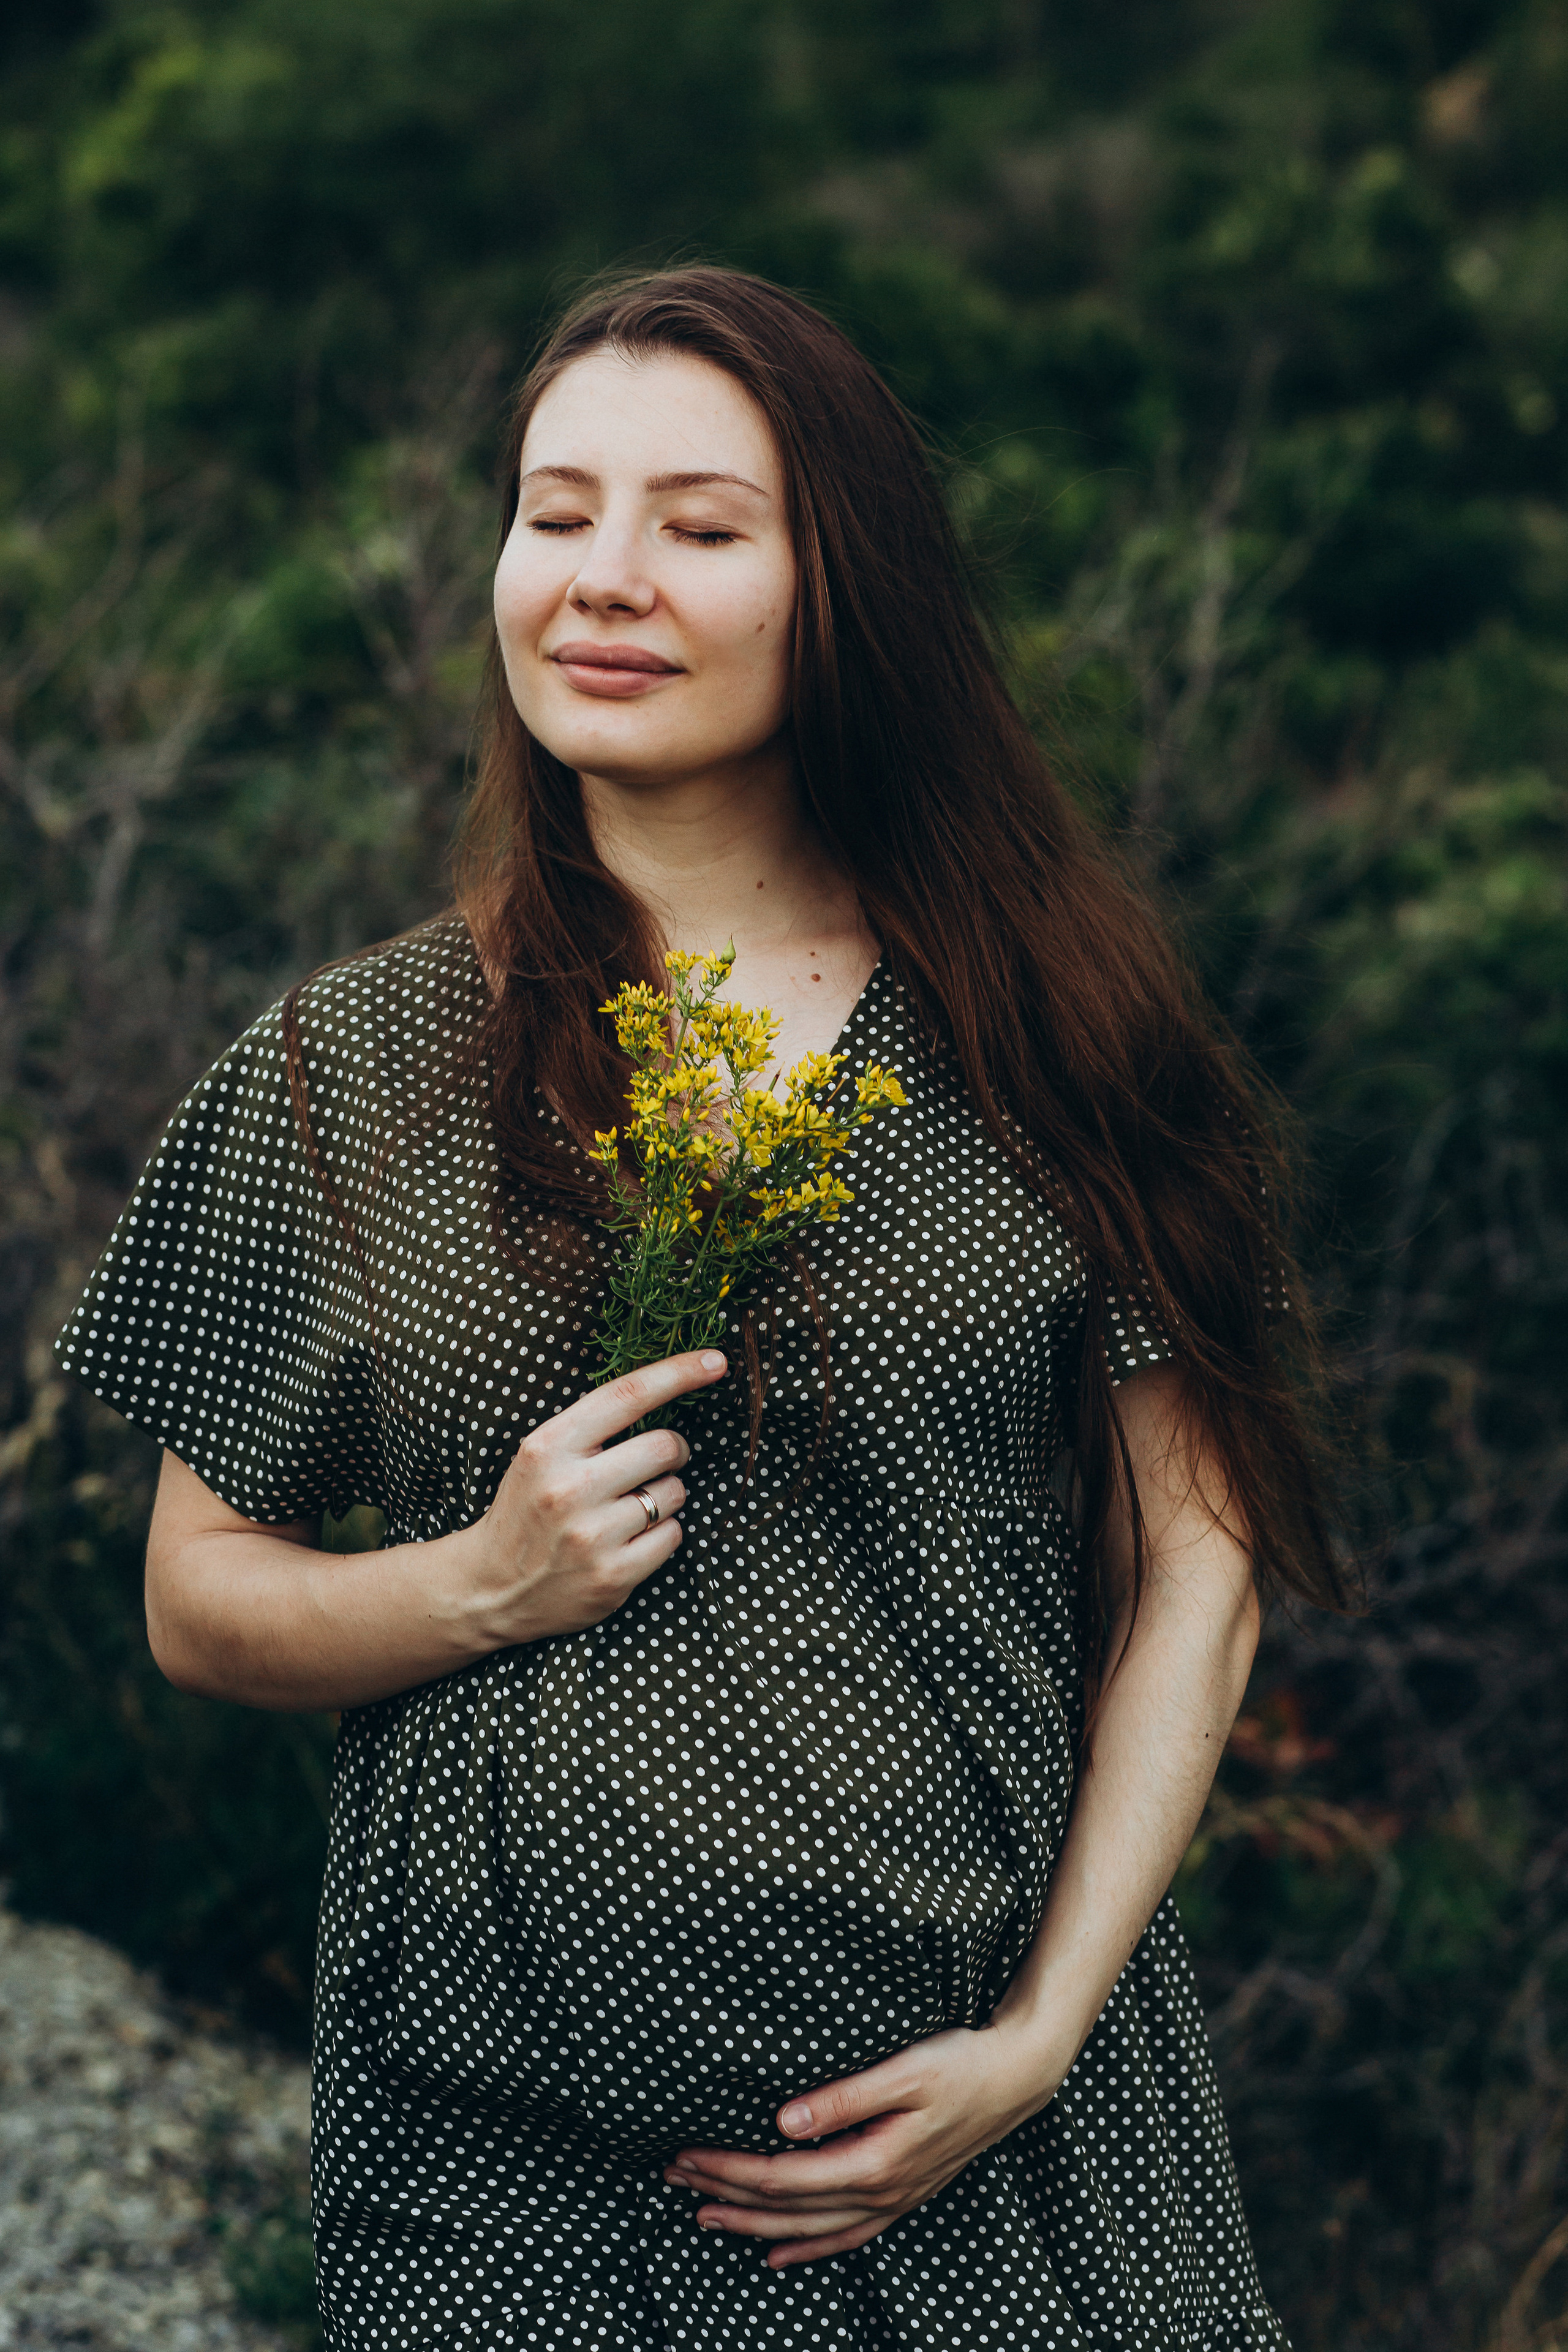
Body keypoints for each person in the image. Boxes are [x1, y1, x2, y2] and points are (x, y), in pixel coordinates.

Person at [56, 265, 1347, 2351]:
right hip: (506, 2201)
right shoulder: (348, 1062)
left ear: (850, 591)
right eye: (557, 514)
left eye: (702, 526)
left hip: (1012, 2172)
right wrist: (478, 1583)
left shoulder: (1063, 1042)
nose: (604, 580)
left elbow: (1195, 1570)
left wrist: (1033, 2040)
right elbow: (197, 1598)